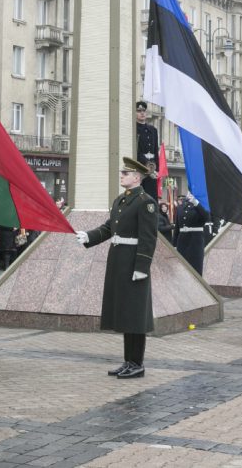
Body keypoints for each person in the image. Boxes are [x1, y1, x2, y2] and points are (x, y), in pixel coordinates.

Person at [76, 157, 158, 379]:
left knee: (136, 314)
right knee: (126, 313)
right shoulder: (121, 200)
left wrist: (142, 266)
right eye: (122, 173)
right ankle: (128, 361)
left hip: (133, 261)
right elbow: (109, 228)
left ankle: (137, 363)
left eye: (125, 173)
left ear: (137, 177)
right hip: (119, 261)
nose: (121, 176)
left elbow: (148, 238)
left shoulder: (146, 202)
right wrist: (88, 237)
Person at [173, 191, 210, 275]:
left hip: (195, 242)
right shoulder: (181, 206)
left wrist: (196, 203)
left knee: (195, 268)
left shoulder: (201, 205)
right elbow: (177, 227)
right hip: (182, 241)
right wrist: (174, 245)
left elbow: (206, 216)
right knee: (182, 269)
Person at [134, 101, 159, 199]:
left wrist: (156, 169)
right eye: (139, 111)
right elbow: (136, 150)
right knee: (139, 196)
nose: (142, 113)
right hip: (139, 166)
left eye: (144, 110)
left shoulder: (153, 130)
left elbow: (155, 150)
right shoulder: (133, 128)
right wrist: (146, 164)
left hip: (151, 169)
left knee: (151, 197)